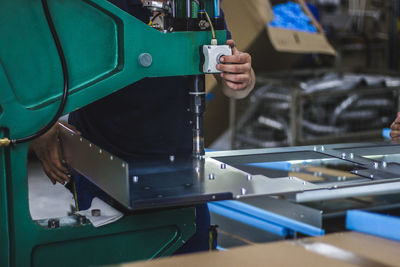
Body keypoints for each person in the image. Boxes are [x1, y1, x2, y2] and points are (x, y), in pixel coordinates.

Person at [30, 0, 255, 253]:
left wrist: (241, 79)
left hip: (184, 175)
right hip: (104, 172)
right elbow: (39, 64)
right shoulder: (92, 6)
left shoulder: (194, 7)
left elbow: (231, 79)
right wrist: (42, 127)